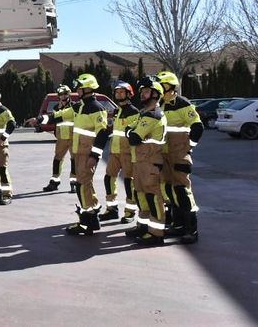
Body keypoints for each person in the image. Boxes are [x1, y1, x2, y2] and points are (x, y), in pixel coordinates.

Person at [28, 74, 110, 235]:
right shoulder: (78, 107)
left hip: (87, 154)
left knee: (82, 185)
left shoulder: (97, 108)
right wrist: (40, 119)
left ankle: (87, 221)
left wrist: (95, 156)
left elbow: (102, 134)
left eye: (80, 87)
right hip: (79, 152)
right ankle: (92, 217)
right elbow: (59, 115)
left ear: (88, 89)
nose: (77, 90)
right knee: (84, 184)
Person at [157, 70, 204, 244]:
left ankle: (191, 229)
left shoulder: (183, 104)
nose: (159, 89)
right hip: (164, 154)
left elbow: (198, 127)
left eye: (161, 85)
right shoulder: (161, 105)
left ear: (170, 86)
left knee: (182, 190)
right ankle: (177, 225)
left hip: (178, 154)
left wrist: (188, 148)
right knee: (169, 189)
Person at [123, 77, 168, 245]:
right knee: (141, 195)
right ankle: (143, 227)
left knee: (153, 196)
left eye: (147, 92)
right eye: (141, 92)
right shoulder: (144, 114)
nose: (142, 95)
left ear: (156, 95)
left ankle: (156, 233)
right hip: (141, 161)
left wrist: (131, 133)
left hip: (150, 161)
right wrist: (131, 132)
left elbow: (133, 137)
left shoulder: (153, 115)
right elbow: (129, 129)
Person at [98, 81, 139, 223]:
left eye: (122, 92)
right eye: (117, 92)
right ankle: (112, 210)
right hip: (114, 152)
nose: (119, 94)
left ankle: (130, 212)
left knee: (129, 182)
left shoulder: (134, 112)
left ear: (129, 94)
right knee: (108, 179)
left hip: (128, 153)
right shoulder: (116, 111)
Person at [41, 85, 78, 193]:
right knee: (57, 159)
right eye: (61, 94)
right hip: (61, 137)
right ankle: (54, 182)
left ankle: (74, 183)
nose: (63, 96)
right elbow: (54, 119)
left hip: (73, 136)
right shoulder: (56, 107)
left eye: (65, 94)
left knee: (74, 160)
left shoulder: (75, 106)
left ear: (69, 94)